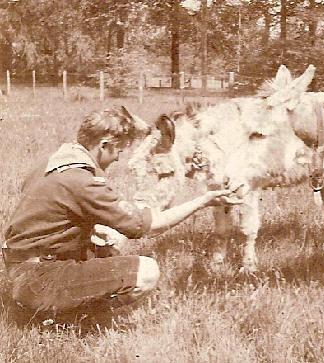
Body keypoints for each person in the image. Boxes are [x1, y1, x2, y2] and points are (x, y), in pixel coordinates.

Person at [1, 106, 242, 314]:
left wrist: (90, 229)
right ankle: (81, 319)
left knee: (109, 245)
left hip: (21, 268)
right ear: (104, 145)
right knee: (147, 271)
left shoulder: (52, 162)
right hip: (38, 280)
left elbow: (50, 215)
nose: (117, 159)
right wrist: (204, 200)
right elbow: (150, 226)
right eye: (119, 151)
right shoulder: (83, 182)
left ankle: (59, 307)